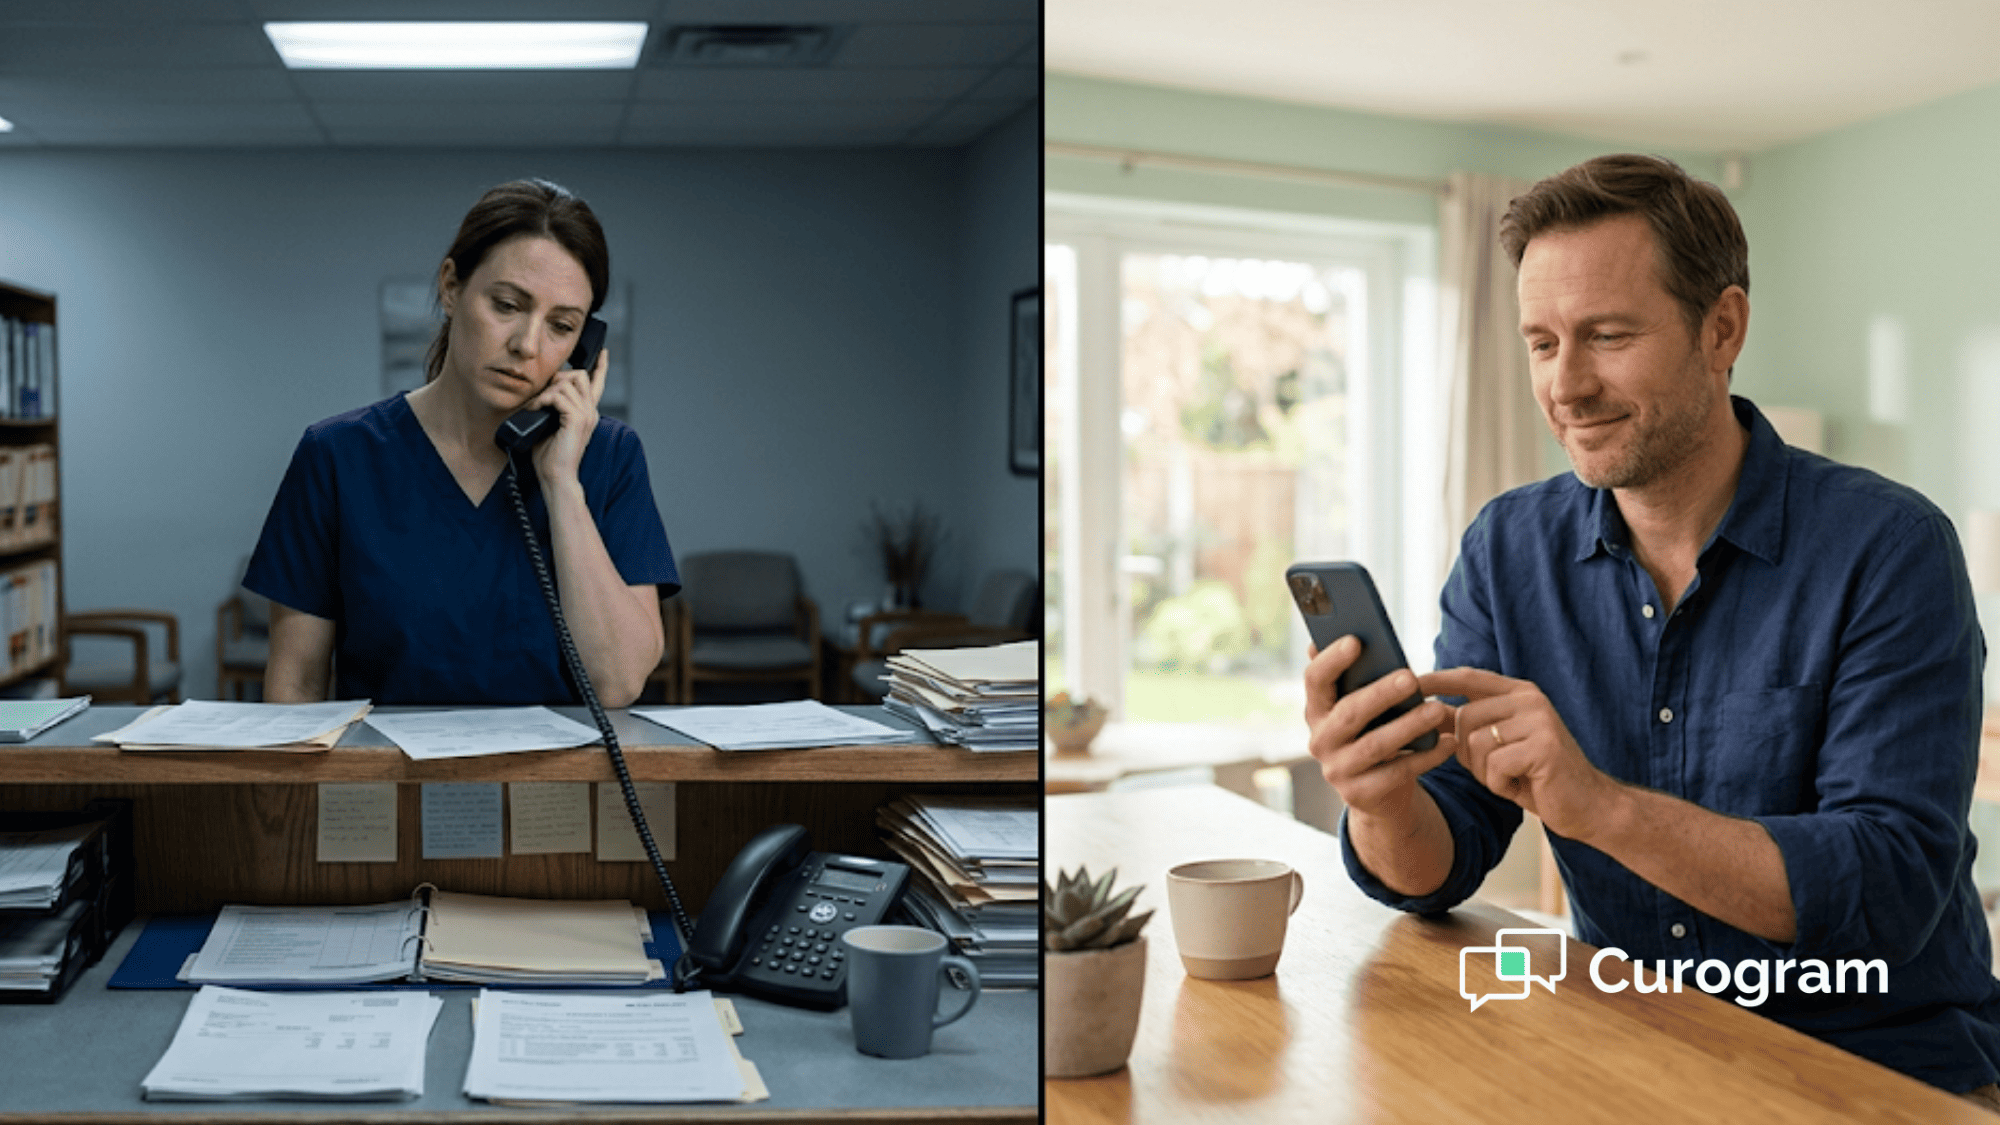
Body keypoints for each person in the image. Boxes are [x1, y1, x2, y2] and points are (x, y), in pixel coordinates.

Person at [1306, 153, 2000, 1102]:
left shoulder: (1891, 548)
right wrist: (1382, 796)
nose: (1567, 384)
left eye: (1608, 335)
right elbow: (1442, 856)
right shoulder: (1509, 550)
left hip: (1879, 1067)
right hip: (1630, 1055)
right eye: (1542, 343)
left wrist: (1600, 805)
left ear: (1722, 328)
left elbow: (1888, 886)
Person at [245, 178, 677, 707]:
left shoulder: (611, 458)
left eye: (561, 326)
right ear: (452, 287)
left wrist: (562, 484)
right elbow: (297, 685)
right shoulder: (337, 456)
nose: (527, 345)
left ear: (584, 345)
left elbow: (617, 684)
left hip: (556, 787)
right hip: (388, 784)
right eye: (507, 305)